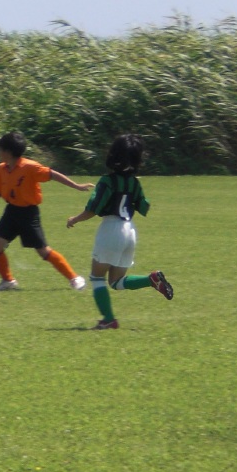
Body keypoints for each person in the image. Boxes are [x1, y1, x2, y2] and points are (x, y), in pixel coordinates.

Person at [66, 133, 174, 329]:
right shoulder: (134, 182)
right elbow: (144, 206)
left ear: (113, 155)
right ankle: (151, 280)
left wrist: (75, 219)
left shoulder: (107, 181)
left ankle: (108, 320)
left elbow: (94, 208)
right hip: (130, 230)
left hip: (111, 229)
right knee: (116, 281)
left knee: (97, 277)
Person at [0, 131, 92, 291]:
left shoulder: (29, 167)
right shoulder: (2, 169)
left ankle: (74, 278)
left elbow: (52, 174)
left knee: (43, 251)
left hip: (28, 214)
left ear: (8, 152)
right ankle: (8, 281)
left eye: (0, 150)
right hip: (11, 212)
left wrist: (76, 186)